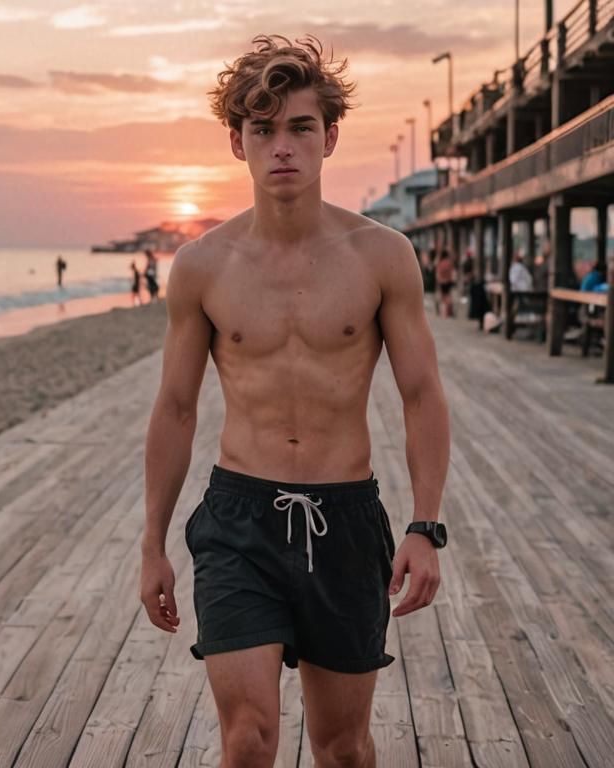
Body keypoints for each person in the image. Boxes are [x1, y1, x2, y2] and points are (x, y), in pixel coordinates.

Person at [139, 35, 450, 768]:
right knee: (248, 738)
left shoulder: (381, 255)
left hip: (345, 522)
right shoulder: (202, 267)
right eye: (263, 128)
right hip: (239, 520)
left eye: (300, 127)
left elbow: (420, 391)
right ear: (237, 143)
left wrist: (426, 525)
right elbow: (176, 408)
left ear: (330, 137)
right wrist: (152, 543)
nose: (282, 146)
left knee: (342, 748)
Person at [434, 250, 455, 317]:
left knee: (443, 296)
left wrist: (439, 280)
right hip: (449, 281)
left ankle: (445, 312)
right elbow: (452, 272)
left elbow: (438, 273)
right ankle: (449, 311)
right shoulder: (449, 263)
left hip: (442, 281)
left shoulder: (440, 263)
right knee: (448, 295)